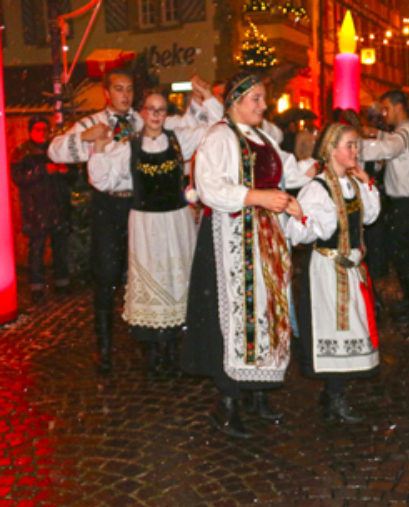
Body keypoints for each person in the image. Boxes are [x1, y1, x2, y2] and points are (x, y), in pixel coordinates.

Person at [47, 68, 218, 375]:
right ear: (107, 93)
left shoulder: (143, 120)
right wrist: (86, 138)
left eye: (128, 89)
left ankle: (151, 344)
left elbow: (186, 127)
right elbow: (55, 151)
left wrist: (198, 99)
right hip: (110, 204)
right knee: (107, 274)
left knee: (147, 272)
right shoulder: (92, 123)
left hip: (143, 204)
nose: (124, 94)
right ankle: (104, 348)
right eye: (118, 89)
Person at [180, 73, 310, 439]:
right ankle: (227, 402)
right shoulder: (220, 136)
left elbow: (285, 170)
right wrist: (257, 197)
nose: (263, 106)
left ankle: (257, 390)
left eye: (263, 98)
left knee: (265, 312)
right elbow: (210, 186)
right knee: (237, 316)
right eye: (255, 98)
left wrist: (314, 168)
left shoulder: (263, 136)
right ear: (235, 100)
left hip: (263, 236)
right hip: (231, 238)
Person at [286, 123, 381, 423]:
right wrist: (306, 218)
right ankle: (333, 396)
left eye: (356, 145)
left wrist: (367, 184)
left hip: (351, 269)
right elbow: (298, 232)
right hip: (328, 270)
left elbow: (372, 215)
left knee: (351, 327)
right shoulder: (317, 188)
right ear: (330, 149)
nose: (355, 151)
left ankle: (334, 394)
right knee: (335, 329)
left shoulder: (352, 183)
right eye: (349, 145)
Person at [360, 90, 409, 325]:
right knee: (401, 253)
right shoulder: (407, 133)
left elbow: (388, 148)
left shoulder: (404, 134)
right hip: (407, 201)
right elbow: (390, 143)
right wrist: (377, 133)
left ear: (398, 107)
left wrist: (352, 146)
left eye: (386, 108)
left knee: (402, 254)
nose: (383, 113)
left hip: (406, 202)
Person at [10, 117, 73, 302]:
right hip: (36, 208)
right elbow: (19, 178)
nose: (42, 132)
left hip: (58, 207)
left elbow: (73, 176)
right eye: (37, 129)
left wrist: (65, 172)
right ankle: (36, 288)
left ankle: (62, 283)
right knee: (36, 250)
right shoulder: (22, 152)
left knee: (60, 247)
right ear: (30, 130)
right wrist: (43, 170)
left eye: (45, 128)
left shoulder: (56, 150)